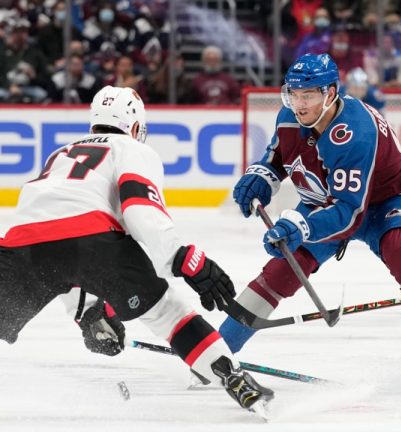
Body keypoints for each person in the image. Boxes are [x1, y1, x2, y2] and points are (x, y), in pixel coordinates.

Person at [0, 86, 273, 413]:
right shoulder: (132, 148)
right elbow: (139, 211)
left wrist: (87, 315)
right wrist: (185, 259)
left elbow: (55, 242)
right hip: (90, 241)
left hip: (20, 245)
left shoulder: (59, 154)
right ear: (133, 126)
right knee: (168, 313)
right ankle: (234, 379)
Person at [220, 53, 401, 387]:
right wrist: (262, 176)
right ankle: (217, 349)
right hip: (331, 201)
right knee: (283, 267)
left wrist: (301, 226)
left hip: (390, 199)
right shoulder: (290, 116)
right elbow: (278, 157)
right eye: (293, 94)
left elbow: (350, 213)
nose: (299, 103)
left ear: (331, 93)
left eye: (308, 95)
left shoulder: (356, 132)